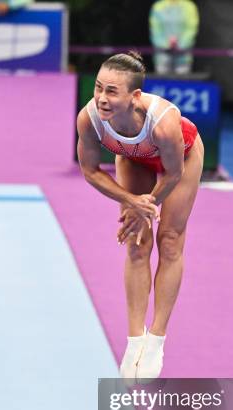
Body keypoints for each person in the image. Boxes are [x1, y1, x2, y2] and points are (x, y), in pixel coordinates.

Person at [77, 51, 204, 381]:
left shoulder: (162, 122)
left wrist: (146, 205)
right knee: (136, 243)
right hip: (134, 160)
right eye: (99, 88)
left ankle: (156, 338)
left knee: (170, 241)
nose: (102, 98)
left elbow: (172, 173)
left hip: (181, 162)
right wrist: (131, 202)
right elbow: (90, 171)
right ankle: (135, 340)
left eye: (112, 91)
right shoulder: (89, 118)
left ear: (135, 96)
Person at [149, 0, 199, 75]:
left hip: (183, 56)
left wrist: (180, 44)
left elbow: (191, 29)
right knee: (162, 82)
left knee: (182, 82)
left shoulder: (190, 6)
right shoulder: (158, 6)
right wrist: (166, 44)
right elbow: (155, 30)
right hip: (162, 55)